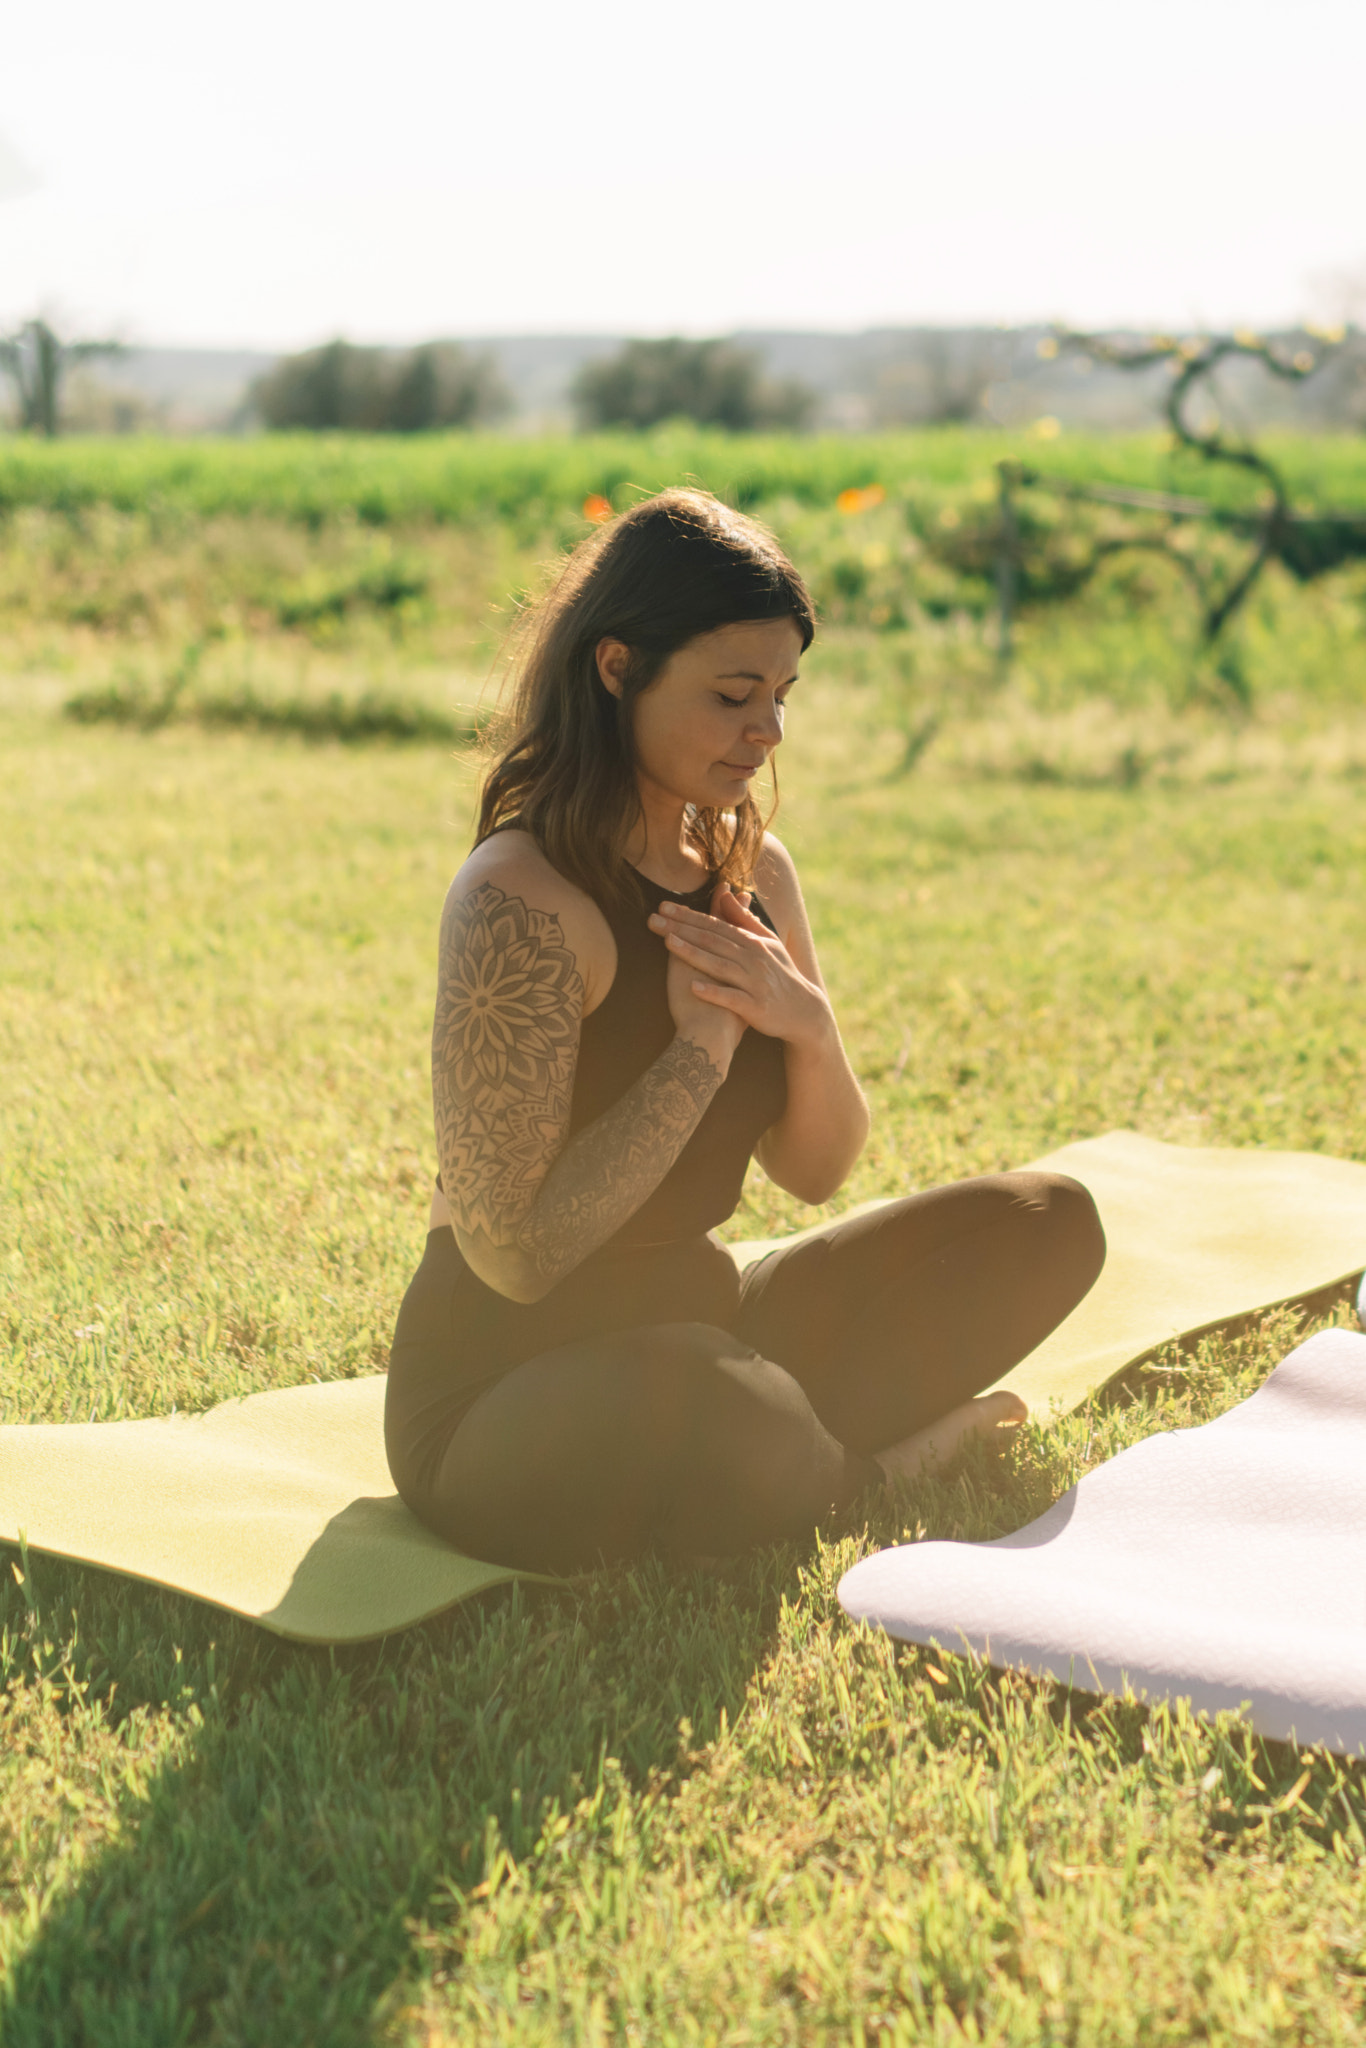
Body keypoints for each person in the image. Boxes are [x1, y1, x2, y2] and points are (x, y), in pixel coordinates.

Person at [385, 489, 1105, 1573]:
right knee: (702, 1392)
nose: (766, 730)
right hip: (506, 1398)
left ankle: (779, 1429)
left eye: (780, 693)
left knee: (1047, 1218)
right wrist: (699, 1051)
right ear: (617, 666)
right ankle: (871, 1474)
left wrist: (806, 1027)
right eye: (732, 694)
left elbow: (813, 1171)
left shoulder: (752, 869)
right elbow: (514, 1258)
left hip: (708, 1321)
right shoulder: (520, 900)